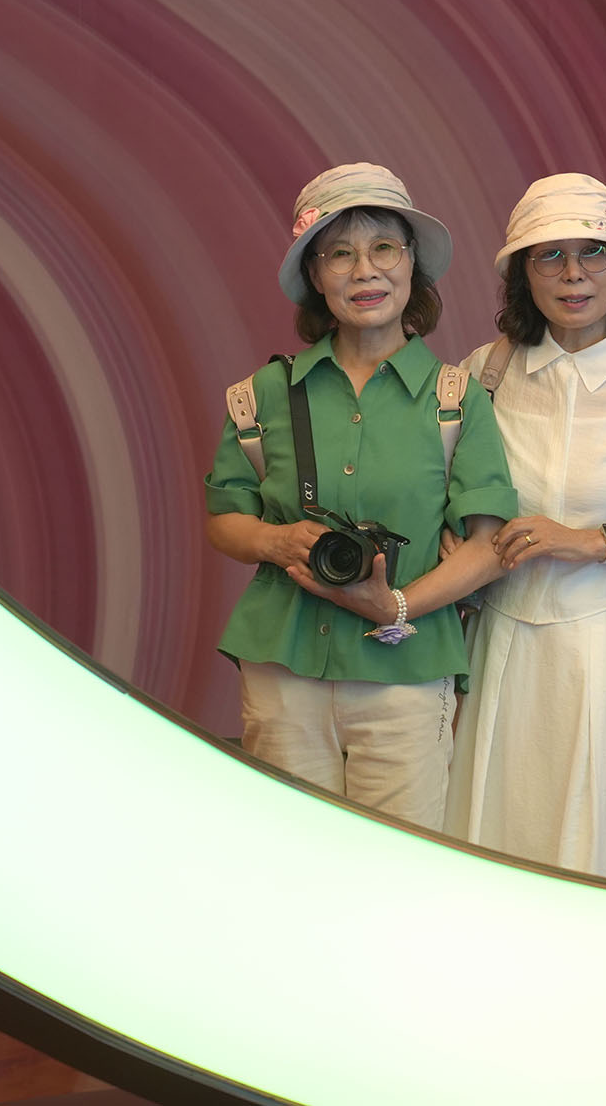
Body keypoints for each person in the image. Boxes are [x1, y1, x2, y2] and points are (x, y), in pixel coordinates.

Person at [339, 173, 606, 888]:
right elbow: (440, 491)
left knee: (604, 834)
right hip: (500, 640)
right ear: (522, 274)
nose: (574, 274)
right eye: (549, 256)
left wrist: (592, 541)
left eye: (593, 252)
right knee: (495, 829)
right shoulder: (485, 374)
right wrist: (447, 540)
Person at [202, 162, 517, 832]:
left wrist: (396, 603)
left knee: (399, 860)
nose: (365, 271)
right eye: (339, 254)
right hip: (284, 666)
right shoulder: (261, 396)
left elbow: (489, 545)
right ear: (314, 276)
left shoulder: (456, 400)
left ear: (412, 265)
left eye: (384, 248)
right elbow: (225, 519)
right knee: (290, 852)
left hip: (406, 669)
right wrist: (277, 540)